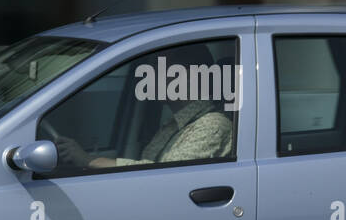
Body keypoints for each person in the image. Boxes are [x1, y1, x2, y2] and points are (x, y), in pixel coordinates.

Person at [55, 45, 234, 169]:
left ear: (186, 76)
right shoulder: (175, 124)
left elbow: (164, 173)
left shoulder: (213, 126)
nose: (150, 74)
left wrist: (89, 161)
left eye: (159, 67)